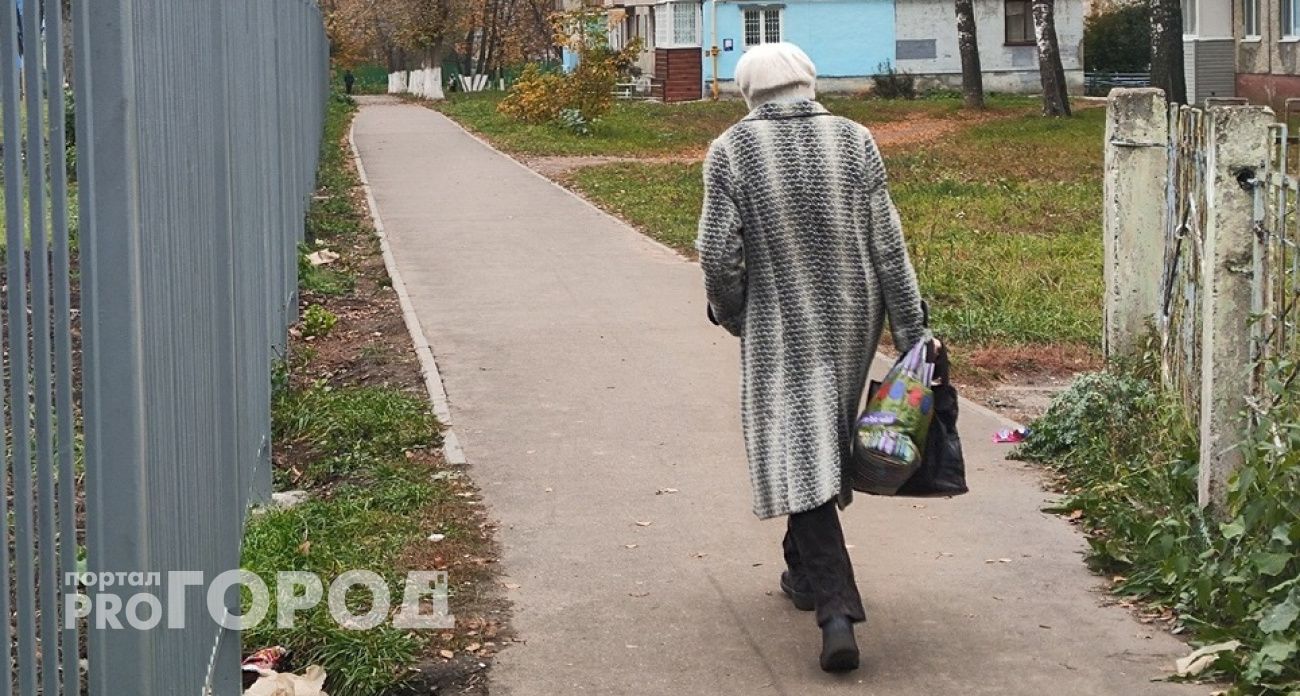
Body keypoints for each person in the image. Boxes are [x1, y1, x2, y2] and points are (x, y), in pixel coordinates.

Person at [696, 42, 927, 673]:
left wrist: (735, 313)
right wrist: (909, 330)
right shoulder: (854, 140)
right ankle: (801, 573)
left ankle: (836, 606)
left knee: (798, 442)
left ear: (749, 91)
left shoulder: (732, 150)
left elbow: (719, 254)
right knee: (817, 437)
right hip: (854, 319)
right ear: (809, 81)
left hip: (781, 322)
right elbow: (889, 241)